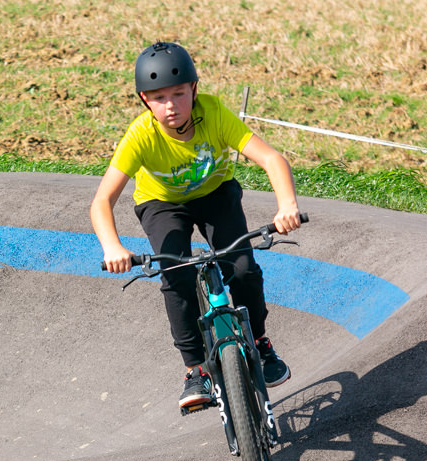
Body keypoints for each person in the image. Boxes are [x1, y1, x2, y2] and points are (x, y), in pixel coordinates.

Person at [90, 41, 302, 416]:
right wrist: (111, 246)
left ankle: (259, 341)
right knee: (177, 275)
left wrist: (287, 205)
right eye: (158, 97)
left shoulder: (215, 114)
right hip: (162, 204)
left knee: (242, 268)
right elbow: (102, 201)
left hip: (216, 194)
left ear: (194, 90)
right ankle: (195, 369)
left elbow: (271, 158)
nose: (170, 105)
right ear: (145, 100)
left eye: (178, 93)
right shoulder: (141, 135)